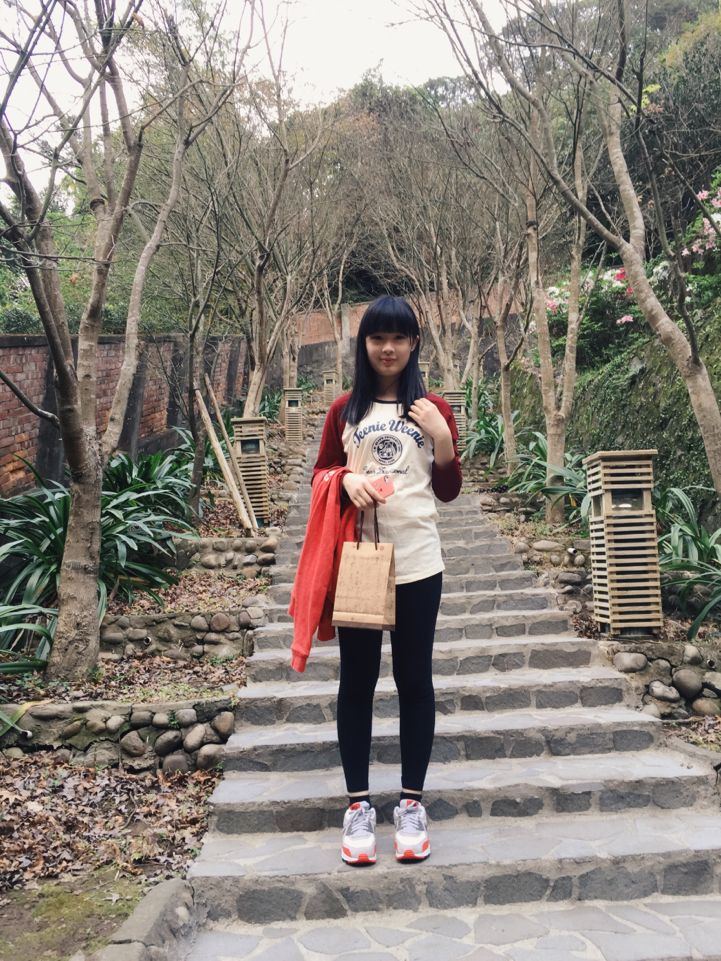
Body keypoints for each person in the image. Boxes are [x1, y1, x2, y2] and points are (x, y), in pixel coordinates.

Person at [312, 295, 462, 866]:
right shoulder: (344, 410)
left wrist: (442, 440)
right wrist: (342, 481)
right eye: (378, 338)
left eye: (399, 337)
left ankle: (411, 803)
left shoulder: (432, 408)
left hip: (419, 560)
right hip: (360, 560)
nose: (389, 348)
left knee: (414, 680)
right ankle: (357, 806)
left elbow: (448, 490)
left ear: (414, 343)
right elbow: (321, 473)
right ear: (364, 344)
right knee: (356, 682)